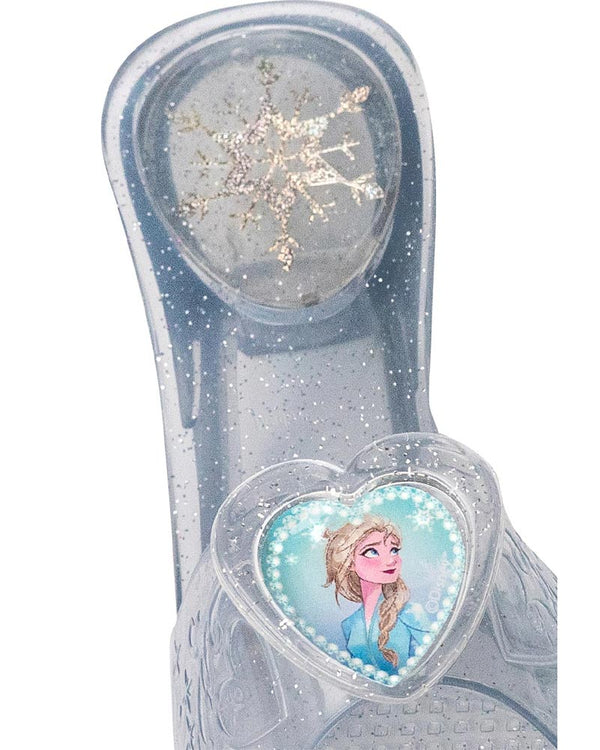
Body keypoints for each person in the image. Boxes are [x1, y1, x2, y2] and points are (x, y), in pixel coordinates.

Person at [324, 514, 428, 674]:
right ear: (350, 563)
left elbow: (432, 662)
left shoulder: (410, 613)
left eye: (394, 550)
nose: (391, 560)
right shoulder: (349, 625)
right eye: (372, 552)